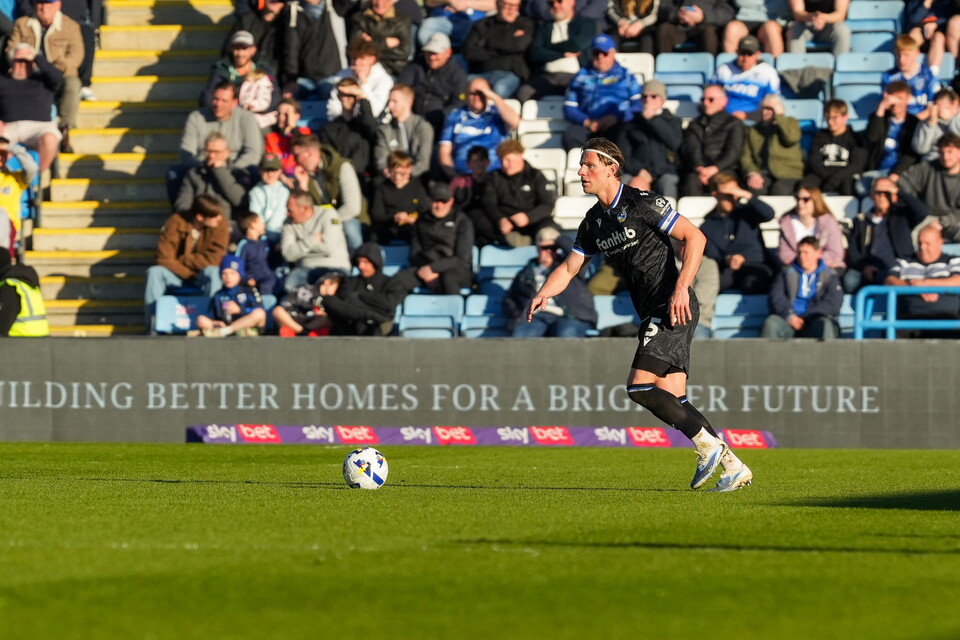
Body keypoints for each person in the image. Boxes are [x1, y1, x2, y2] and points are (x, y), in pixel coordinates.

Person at [527, 136, 753, 492]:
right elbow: (570, 268)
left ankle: (709, 446)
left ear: (611, 170)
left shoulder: (642, 202)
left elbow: (695, 238)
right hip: (652, 309)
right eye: (581, 165)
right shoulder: (593, 222)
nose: (581, 171)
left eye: (589, 166)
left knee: (639, 386)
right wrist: (543, 292)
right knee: (672, 396)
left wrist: (680, 287)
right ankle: (733, 466)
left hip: (672, 304)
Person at [144, 195, 230, 330]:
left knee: (213, 272)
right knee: (154, 272)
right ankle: (153, 323)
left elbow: (215, 259)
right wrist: (189, 273)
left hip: (202, 275)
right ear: (200, 217)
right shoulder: (176, 221)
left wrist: (185, 259)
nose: (219, 218)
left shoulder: (221, 224)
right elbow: (163, 258)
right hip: (176, 275)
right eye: (214, 216)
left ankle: (213, 322)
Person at [8, 0, 82, 151]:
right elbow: (10, 50)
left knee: (73, 84)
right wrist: (23, 59)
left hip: (59, 73)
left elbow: (76, 56)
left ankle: (65, 128)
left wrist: (54, 68)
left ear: (58, 5)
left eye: (48, 3)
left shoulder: (70, 26)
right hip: (28, 72)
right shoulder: (22, 24)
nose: (44, 7)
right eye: (40, 3)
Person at [172, 81, 263, 200]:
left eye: (224, 101)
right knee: (174, 173)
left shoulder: (246, 118)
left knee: (254, 172)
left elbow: (253, 153)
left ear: (234, 103)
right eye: (215, 99)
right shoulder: (196, 117)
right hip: (202, 167)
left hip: (235, 168)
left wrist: (228, 169)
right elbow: (186, 154)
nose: (218, 104)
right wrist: (206, 168)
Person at [505, 226, 597, 337]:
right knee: (522, 337)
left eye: (553, 248)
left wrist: (559, 239)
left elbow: (580, 254)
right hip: (536, 317)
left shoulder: (568, 267)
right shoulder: (525, 273)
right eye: (545, 247)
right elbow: (509, 299)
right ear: (538, 248)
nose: (549, 251)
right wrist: (518, 312)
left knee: (567, 334)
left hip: (569, 315)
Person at [844, 176, 928, 292]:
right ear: (872, 195)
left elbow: (923, 212)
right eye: (878, 192)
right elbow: (853, 249)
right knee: (850, 280)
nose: (882, 196)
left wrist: (899, 191)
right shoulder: (861, 220)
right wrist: (864, 267)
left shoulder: (902, 216)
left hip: (899, 267)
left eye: (887, 192)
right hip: (869, 267)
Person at [562, 34, 642, 150]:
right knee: (570, 135)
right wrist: (586, 121)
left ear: (613, 53)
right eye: (596, 53)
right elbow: (569, 108)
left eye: (605, 53)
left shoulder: (627, 76)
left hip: (616, 125)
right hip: (589, 126)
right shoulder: (579, 77)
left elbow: (637, 106)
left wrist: (616, 118)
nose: (600, 57)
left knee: (625, 136)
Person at [699, 172, 776, 294]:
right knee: (709, 283)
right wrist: (728, 259)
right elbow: (713, 254)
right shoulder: (708, 225)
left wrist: (746, 194)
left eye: (735, 193)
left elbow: (769, 214)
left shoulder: (748, 212)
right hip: (728, 269)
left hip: (756, 264)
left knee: (754, 282)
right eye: (728, 194)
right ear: (715, 194)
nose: (733, 198)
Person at [290, 133, 365, 252]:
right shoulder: (303, 176)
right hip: (319, 222)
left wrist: (328, 223)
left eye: (296, 155)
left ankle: (357, 264)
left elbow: (352, 208)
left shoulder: (342, 167)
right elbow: (302, 211)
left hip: (345, 218)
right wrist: (303, 186)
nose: (294, 160)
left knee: (350, 227)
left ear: (309, 153)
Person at [476, 139, 558, 247]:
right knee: (477, 216)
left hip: (532, 222)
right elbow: (488, 202)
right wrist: (499, 219)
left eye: (508, 160)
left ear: (520, 156)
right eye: (502, 161)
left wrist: (528, 217)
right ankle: (510, 240)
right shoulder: (494, 177)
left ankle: (538, 246)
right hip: (505, 224)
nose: (505, 164)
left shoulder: (535, 175)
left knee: (548, 226)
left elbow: (547, 204)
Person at [399, 181, 475, 294]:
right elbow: (415, 254)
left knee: (448, 278)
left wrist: (432, 268)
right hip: (425, 266)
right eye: (435, 201)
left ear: (451, 201)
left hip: (455, 269)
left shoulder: (462, 222)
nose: (439, 206)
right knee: (399, 280)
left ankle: (451, 310)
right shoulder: (421, 222)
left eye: (443, 201)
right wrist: (426, 271)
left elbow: (462, 259)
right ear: (428, 201)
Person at [514, 0, 596, 103]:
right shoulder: (545, 27)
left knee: (584, 94)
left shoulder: (585, 23)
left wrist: (548, 46)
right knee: (523, 93)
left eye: (559, 1)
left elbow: (577, 45)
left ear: (572, 2)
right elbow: (536, 53)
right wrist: (563, 54)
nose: (556, 5)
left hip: (575, 76)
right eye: (551, 3)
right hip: (547, 77)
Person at [762, 236, 843, 340]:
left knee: (825, 325)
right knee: (771, 323)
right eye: (800, 252)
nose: (802, 256)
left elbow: (833, 302)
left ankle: (826, 356)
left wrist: (807, 316)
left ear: (817, 253)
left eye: (806, 253)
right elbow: (776, 297)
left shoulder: (829, 275)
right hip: (789, 320)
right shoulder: (786, 273)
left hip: (815, 319)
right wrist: (789, 316)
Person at [437, 76, 519, 178]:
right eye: (472, 93)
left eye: (481, 93)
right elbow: (444, 150)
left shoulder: (498, 114)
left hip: (495, 176)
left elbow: (515, 122)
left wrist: (493, 97)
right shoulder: (454, 116)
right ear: (466, 95)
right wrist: (453, 176)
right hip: (463, 176)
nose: (476, 97)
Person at [884, 222, 960, 332]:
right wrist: (914, 289)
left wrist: (927, 284)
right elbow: (889, 280)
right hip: (908, 323)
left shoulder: (953, 261)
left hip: (946, 322)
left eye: (927, 243)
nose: (923, 247)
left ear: (940, 242)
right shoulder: (904, 262)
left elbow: (958, 281)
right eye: (920, 243)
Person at [613, 79, 682, 200]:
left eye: (653, 96)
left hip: (664, 171)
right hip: (637, 171)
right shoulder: (630, 125)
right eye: (644, 96)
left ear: (662, 100)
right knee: (626, 182)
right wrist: (639, 170)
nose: (648, 100)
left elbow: (674, 143)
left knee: (667, 182)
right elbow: (622, 154)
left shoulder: (673, 122)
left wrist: (653, 120)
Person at [0, 42, 62, 173]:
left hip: (40, 127)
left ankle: (37, 178)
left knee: (50, 139)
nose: (22, 64)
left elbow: (57, 78)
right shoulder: (3, 80)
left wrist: (36, 57)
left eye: (26, 60)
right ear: (12, 61)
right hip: (9, 127)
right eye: (18, 60)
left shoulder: (43, 80)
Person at [322, 241, 405, 335]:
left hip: (378, 328)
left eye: (365, 262)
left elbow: (388, 304)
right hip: (350, 326)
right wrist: (371, 313)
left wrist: (360, 295)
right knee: (328, 301)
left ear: (375, 262)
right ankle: (371, 317)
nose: (361, 266)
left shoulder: (391, 283)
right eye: (359, 262)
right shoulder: (350, 281)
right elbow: (344, 303)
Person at [280, 187, 352, 292]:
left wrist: (299, 247)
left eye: (290, 210)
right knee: (290, 287)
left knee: (330, 291)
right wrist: (312, 240)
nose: (287, 213)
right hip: (305, 268)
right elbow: (288, 254)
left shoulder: (328, 215)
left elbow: (328, 248)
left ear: (304, 208)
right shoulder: (288, 223)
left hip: (334, 266)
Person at [678, 84, 744, 197]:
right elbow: (691, 149)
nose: (705, 102)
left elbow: (733, 151)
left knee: (725, 183)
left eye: (711, 99)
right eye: (703, 99)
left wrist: (715, 168)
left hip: (724, 169)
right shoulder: (695, 124)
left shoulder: (734, 123)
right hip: (698, 171)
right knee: (690, 181)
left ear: (724, 101)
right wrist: (699, 168)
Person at [396, 33, 468, 135]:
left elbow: (459, 103)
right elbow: (402, 87)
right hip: (409, 120)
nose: (432, 57)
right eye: (429, 53)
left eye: (436, 53)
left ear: (448, 53)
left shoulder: (457, 75)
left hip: (439, 126)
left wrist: (439, 116)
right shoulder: (416, 65)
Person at [279, 0, 350, 98]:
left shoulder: (335, 6)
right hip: (304, 78)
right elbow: (291, 50)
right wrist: (290, 80)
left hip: (333, 75)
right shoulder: (293, 12)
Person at [462, 0, 533, 99]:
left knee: (500, 88)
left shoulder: (525, 24)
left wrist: (488, 43)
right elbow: (469, 52)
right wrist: (506, 45)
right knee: (462, 86)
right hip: (481, 73)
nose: (511, 9)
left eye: (515, 6)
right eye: (508, 5)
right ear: (498, 4)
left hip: (511, 74)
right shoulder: (483, 25)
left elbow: (520, 45)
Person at [897, 133, 960, 238]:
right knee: (912, 236)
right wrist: (915, 204)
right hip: (927, 218)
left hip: (954, 220)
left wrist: (943, 222)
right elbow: (904, 182)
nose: (945, 157)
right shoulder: (927, 168)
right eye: (941, 152)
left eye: (950, 152)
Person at [740, 94, 804, 196]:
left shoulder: (791, 123)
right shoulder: (753, 130)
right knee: (755, 188)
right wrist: (752, 173)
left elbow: (791, 138)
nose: (766, 112)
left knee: (779, 189)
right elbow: (746, 157)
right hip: (763, 173)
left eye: (771, 109)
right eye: (764, 108)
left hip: (789, 173)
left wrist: (779, 116)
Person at [173, 132, 248, 218]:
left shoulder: (238, 173)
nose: (211, 156)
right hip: (199, 221)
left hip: (228, 223)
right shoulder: (194, 174)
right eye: (208, 151)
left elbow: (239, 201)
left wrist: (220, 171)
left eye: (216, 152)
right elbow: (183, 202)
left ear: (227, 153)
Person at [804, 99, 868, 196]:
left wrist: (835, 179)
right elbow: (814, 162)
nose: (830, 122)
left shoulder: (855, 138)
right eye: (827, 118)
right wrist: (828, 178)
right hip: (822, 175)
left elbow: (857, 165)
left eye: (834, 118)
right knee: (805, 187)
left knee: (848, 187)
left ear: (845, 117)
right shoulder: (820, 136)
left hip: (845, 175)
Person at [318, 76, 379, 178]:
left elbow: (372, 129)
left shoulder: (363, 125)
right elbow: (328, 156)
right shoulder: (329, 129)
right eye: (345, 95)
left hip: (364, 177)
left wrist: (362, 98)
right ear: (338, 97)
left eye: (353, 95)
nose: (350, 99)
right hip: (341, 177)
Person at [201, 30, 277, 110]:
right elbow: (208, 98)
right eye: (237, 48)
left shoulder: (264, 70)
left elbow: (275, 98)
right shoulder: (221, 71)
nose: (240, 54)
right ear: (231, 49)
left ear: (253, 50)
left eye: (244, 48)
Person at [193, 255, 267, 337]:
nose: (228, 277)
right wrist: (215, 323)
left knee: (260, 313)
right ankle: (227, 331)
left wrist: (240, 310)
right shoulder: (219, 295)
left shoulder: (249, 290)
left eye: (232, 273)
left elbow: (259, 310)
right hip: (225, 326)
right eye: (225, 273)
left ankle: (229, 330)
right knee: (200, 319)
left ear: (240, 275)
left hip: (246, 324)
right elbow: (210, 316)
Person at [711, 35, 780, 121]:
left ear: (757, 54)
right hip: (725, 120)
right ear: (737, 52)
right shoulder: (724, 70)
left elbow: (772, 104)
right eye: (742, 54)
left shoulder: (768, 72)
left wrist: (747, 116)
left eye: (750, 54)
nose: (745, 59)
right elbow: (711, 97)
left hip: (755, 120)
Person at [778, 185, 845, 272]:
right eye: (798, 199)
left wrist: (811, 262)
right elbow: (784, 254)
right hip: (796, 268)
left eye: (805, 200)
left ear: (815, 201)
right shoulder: (786, 223)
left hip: (826, 266)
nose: (800, 203)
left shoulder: (828, 221)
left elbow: (835, 253)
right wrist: (804, 262)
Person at [373, 84, 434, 179]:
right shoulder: (384, 130)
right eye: (389, 101)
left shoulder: (423, 127)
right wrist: (392, 174)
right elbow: (381, 161)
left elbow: (423, 162)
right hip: (391, 178)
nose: (389, 106)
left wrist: (404, 175)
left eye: (394, 101)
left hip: (416, 178)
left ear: (408, 102)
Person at [325, 38, 394, 122]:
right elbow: (333, 109)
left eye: (361, 58)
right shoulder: (342, 76)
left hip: (373, 125)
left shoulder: (384, 81)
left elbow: (375, 111)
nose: (357, 62)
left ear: (372, 59)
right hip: (345, 123)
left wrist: (364, 83)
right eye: (354, 58)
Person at [369, 150, 430, 244]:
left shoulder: (417, 187)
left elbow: (424, 210)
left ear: (409, 169)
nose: (397, 177)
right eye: (393, 173)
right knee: (375, 234)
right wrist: (395, 217)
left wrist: (412, 218)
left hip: (411, 227)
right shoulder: (382, 188)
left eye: (401, 174)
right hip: (388, 226)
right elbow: (377, 214)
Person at [865, 80, 921, 179]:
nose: (895, 103)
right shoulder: (878, 118)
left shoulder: (914, 123)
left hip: (903, 173)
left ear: (908, 99)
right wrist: (881, 108)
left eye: (900, 98)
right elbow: (872, 138)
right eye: (893, 98)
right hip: (878, 171)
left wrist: (896, 173)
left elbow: (912, 154)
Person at [881, 34, 941, 120]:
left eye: (906, 55)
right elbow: (888, 106)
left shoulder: (928, 76)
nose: (901, 59)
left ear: (916, 53)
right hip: (898, 123)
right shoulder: (889, 77)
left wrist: (913, 123)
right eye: (898, 55)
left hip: (922, 122)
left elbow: (933, 107)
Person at [350, 0, 412, 77]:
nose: (380, 3)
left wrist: (371, 43)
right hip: (366, 69)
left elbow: (404, 52)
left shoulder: (403, 20)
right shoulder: (359, 19)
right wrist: (385, 43)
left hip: (393, 70)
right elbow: (356, 49)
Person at [273, 271, 343, 336]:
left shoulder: (333, 299)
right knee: (278, 310)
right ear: (327, 282)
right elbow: (288, 305)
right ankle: (301, 331)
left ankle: (307, 332)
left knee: (328, 319)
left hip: (313, 325)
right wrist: (313, 313)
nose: (338, 291)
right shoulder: (305, 289)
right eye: (337, 287)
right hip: (294, 321)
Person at [0, 136, 38, 254]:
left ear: (9, 155)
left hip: (7, 228)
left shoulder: (15, 178)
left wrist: (12, 148)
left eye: (3, 153)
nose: (0, 157)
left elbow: (32, 168)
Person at [223, 0, 286, 70]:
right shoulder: (246, 20)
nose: (275, 2)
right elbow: (228, 50)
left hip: (273, 74)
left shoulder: (288, 26)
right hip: (245, 72)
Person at [655, 0, 733, 56]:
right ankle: (666, 70)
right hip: (679, 25)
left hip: (706, 26)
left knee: (709, 33)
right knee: (664, 29)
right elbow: (664, 6)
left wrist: (703, 17)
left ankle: (707, 70)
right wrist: (677, 14)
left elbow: (727, 12)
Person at [0, 250, 49, 336]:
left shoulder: (9, 286)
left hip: (21, 341)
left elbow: (3, 324)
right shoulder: (23, 281)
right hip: (39, 339)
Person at [248, 153, 291, 244]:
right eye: (266, 170)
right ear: (260, 171)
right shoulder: (255, 192)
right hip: (262, 235)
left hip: (281, 234)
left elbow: (280, 214)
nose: (270, 174)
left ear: (280, 171)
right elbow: (256, 214)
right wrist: (262, 233)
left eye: (274, 170)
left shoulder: (285, 190)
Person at [264, 98, 312, 179]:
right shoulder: (271, 136)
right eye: (279, 114)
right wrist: (283, 179)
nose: (281, 118)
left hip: (300, 175)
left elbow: (304, 148)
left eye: (286, 114)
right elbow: (270, 162)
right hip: (278, 178)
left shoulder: (304, 132)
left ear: (297, 116)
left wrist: (292, 128)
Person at [722, 0, 789, 56]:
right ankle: (731, 68)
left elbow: (781, 6)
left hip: (773, 19)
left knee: (771, 29)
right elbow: (740, 2)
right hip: (744, 17)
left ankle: (775, 68)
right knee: (732, 29)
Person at [233, 209, 276, 295]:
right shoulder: (244, 245)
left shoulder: (265, 241)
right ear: (252, 225)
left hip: (269, 278)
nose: (263, 224)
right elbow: (238, 265)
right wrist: (247, 279)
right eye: (260, 222)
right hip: (254, 282)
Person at [785, 0, 851, 55]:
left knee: (842, 31)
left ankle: (841, 67)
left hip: (830, 25)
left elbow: (840, 15)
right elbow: (797, 12)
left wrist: (823, 18)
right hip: (805, 25)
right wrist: (812, 17)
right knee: (794, 29)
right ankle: (796, 68)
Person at [913, 88, 960, 162]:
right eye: (937, 107)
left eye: (947, 107)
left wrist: (951, 119)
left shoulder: (957, 119)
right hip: (931, 164)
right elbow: (920, 149)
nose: (941, 110)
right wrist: (931, 124)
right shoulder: (928, 121)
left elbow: (956, 142)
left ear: (955, 103)